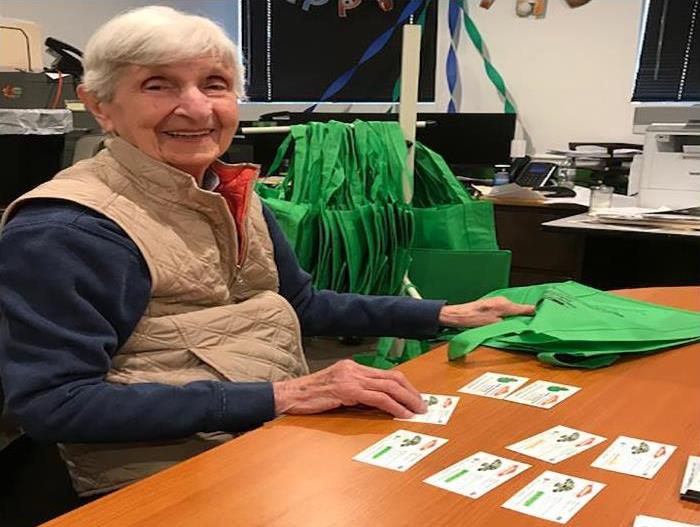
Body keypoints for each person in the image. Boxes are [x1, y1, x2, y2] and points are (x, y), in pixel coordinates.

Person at [0, 6, 534, 498]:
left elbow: (302, 304)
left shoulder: (229, 193)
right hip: (153, 480)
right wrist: (285, 396)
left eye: (215, 84)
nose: (195, 107)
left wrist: (447, 313)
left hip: (256, 440)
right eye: (157, 85)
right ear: (101, 107)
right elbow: (56, 404)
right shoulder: (69, 229)